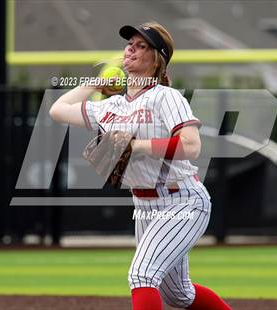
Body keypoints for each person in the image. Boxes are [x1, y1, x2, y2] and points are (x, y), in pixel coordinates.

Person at [49, 21, 232, 310]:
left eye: (141, 46)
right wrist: (97, 83)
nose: (130, 49)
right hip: (145, 207)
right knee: (179, 295)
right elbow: (57, 110)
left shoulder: (165, 97)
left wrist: (138, 146)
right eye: (129, 44)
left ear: (156, 58)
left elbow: (191, 146)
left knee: (142, 275)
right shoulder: (112, 107)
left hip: (182, 202)